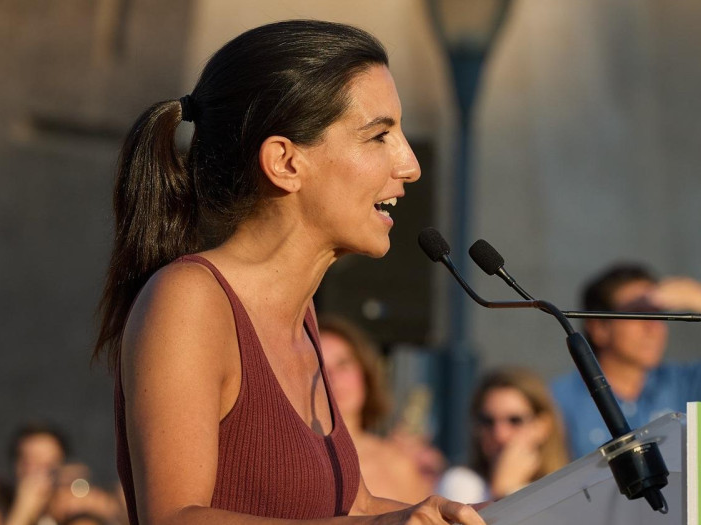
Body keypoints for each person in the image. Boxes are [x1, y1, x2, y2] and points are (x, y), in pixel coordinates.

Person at [93, 20, 483, 525]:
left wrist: (514, 513)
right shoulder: (189, 300)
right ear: (285, 162)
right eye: (380, 135)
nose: (409, 165)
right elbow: (174, 517)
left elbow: (356, 507)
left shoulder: (301, 317)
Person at [551, 263, 701, 458]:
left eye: (658, 314)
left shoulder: (682, 384)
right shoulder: (558, 402)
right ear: (599, 328)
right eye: (638, 314)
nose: (654, 327)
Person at [316, 313, 437, 503]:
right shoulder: (290, 462)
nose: (333, 378)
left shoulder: (398, 463)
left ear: (365, 373)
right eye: (320, 367)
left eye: (343, 364)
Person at [438, 368, 569, 503]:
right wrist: (504, 491)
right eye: (487, 421)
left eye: (515, 420)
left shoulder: (567, 488)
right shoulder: (461, 482)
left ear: (542, 426)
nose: (500, 435)